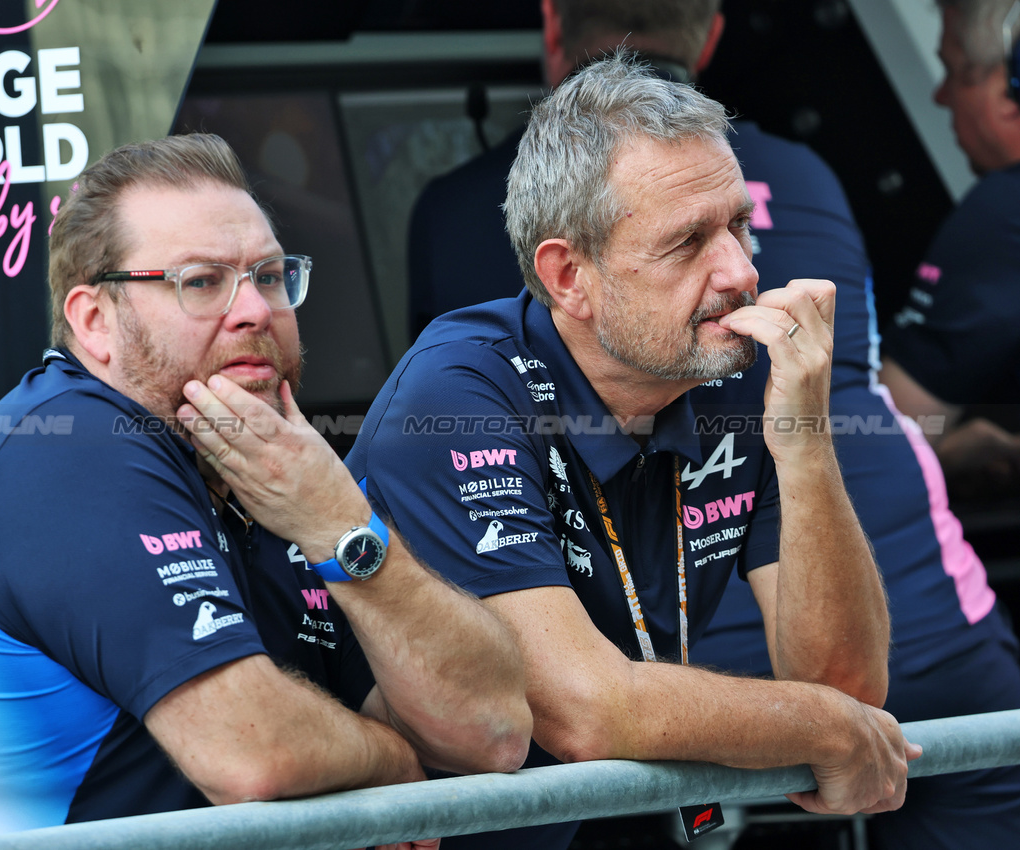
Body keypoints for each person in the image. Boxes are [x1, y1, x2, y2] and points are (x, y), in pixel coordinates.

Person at [0, 134, 533, 850]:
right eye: (201, 281)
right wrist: (392, 761)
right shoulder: (62, 441)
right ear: (95, 324)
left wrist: (342, 522)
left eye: (271, 276)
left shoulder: (285, 474)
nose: (254, 311)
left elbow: (492, 731)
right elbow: (250, 750)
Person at [349, 46, 919, 850]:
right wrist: (822, 728)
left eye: (738, 226)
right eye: (687, 243)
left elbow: (849, 688)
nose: (738, 273)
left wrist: (804, 437)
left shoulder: (728, 369)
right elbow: (584, 710)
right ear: (567, 276)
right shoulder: (456, 392)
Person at [880, 0, 1020, 502]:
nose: (941, 96)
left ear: (1010, 90)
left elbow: (892, 438)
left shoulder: (1003, 212)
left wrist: (946, 459)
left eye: (956, 74)